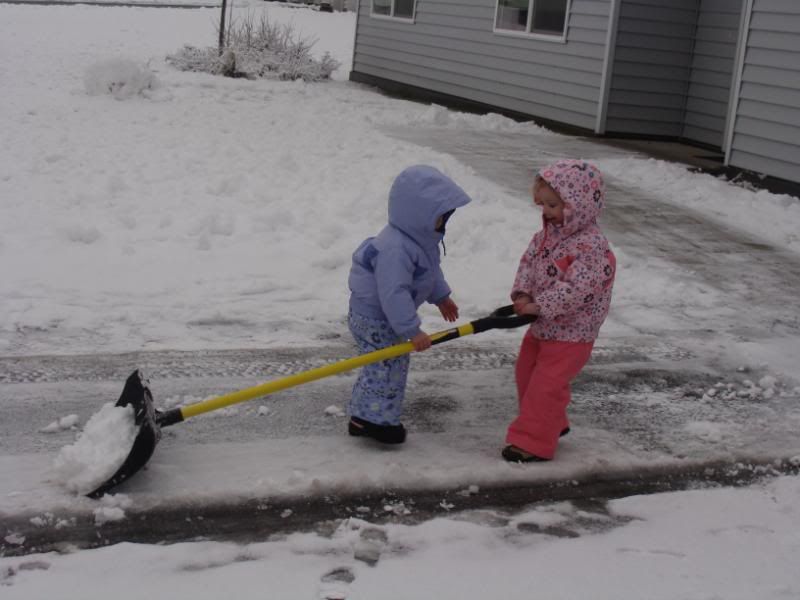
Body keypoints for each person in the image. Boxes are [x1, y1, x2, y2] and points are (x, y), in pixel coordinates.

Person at [347, 165, 472, 444]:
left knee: (383, 365)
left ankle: (364, 416)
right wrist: (411, 330)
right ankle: (374, 422)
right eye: (440, 216)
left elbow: (429, 272)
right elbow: (394, 292)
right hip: (376, 318)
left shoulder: (419, 240)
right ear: (420, 214)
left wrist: (441, 296)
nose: (443, 223)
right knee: (386, 367)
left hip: (382, 316)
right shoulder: (396, 248)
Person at [503, 159, 616, 462]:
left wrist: (541, 306)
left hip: (572, 333)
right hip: (542, 325)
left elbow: (576, 289)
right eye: (543, 204)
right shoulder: (545, 237)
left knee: (545, 386)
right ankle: (552, 422)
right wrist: (523, 293)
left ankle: (533, 442)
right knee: (526, 374)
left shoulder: (592, 248)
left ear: (578, 205)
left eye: (554, 205)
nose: (547, 212)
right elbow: (528, 264)